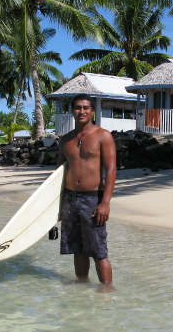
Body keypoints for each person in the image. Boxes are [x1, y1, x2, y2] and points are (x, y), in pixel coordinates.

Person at [57, 94, 116, 284]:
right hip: (69, 198)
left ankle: (107, 292)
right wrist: (54, 208)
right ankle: (82, 288)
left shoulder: (103, 135)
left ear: (92, 111)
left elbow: (111, 170)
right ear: (72, 111)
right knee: (77, 248)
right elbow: (58, 174)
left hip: (92, 199)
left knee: (98, 250)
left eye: (85, 108)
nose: (81, 111)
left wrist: (105, 203)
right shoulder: (65, 140)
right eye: (77, 108)